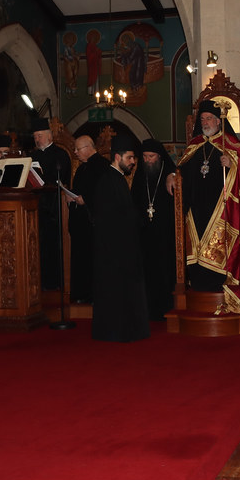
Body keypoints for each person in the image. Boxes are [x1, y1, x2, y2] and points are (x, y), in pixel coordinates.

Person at [174, 100, 240, 320]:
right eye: (203, 119)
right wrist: (173, 176)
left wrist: (232, 162)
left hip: (221, 208)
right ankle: (197, 284)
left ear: (218, 121)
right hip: (196, 209)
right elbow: (181, 170)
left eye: (209, 119)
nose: (205, 122)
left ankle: (221, 284)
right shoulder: (194, 145)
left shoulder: (229, 143)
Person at [91, 136, 149, 342]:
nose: (133, 161)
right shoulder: (108, 181)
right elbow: (111, 218)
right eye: (130, 157)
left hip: (122, 249)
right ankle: (117, 331)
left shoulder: (117, 179)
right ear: (117, 157)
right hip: (114, 252)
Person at [131, 138, 178, 320]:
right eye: (144, 157)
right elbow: (134, 201)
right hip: (145, 233)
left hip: (165, 233)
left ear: (159, 156)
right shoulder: (140, 174)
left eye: (151, 156)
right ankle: (148, 309)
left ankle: (166, 308)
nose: (147, 160)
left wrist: (172, 176)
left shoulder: (168, 172)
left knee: (164, 270)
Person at [30, 117, 71, 291]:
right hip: (36, 207)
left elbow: (62, 180)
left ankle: (57, 283)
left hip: (55, 208)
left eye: (39, 136)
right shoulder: (32, 156)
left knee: (54, 247)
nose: (37, 140)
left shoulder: (60, 154)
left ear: (49, 135)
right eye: (35, 137)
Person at [66, 134, 105, 304]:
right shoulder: (82, 168)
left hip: (94, 224)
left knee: (93, 260)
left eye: (77, 149)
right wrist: (70, 196)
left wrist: (85, 199)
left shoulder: (102, 166)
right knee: (80, 259)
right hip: (80, 223)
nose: (75, 152)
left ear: (89, 148)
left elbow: (103, 193)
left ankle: (93, 294)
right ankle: (80, 293)